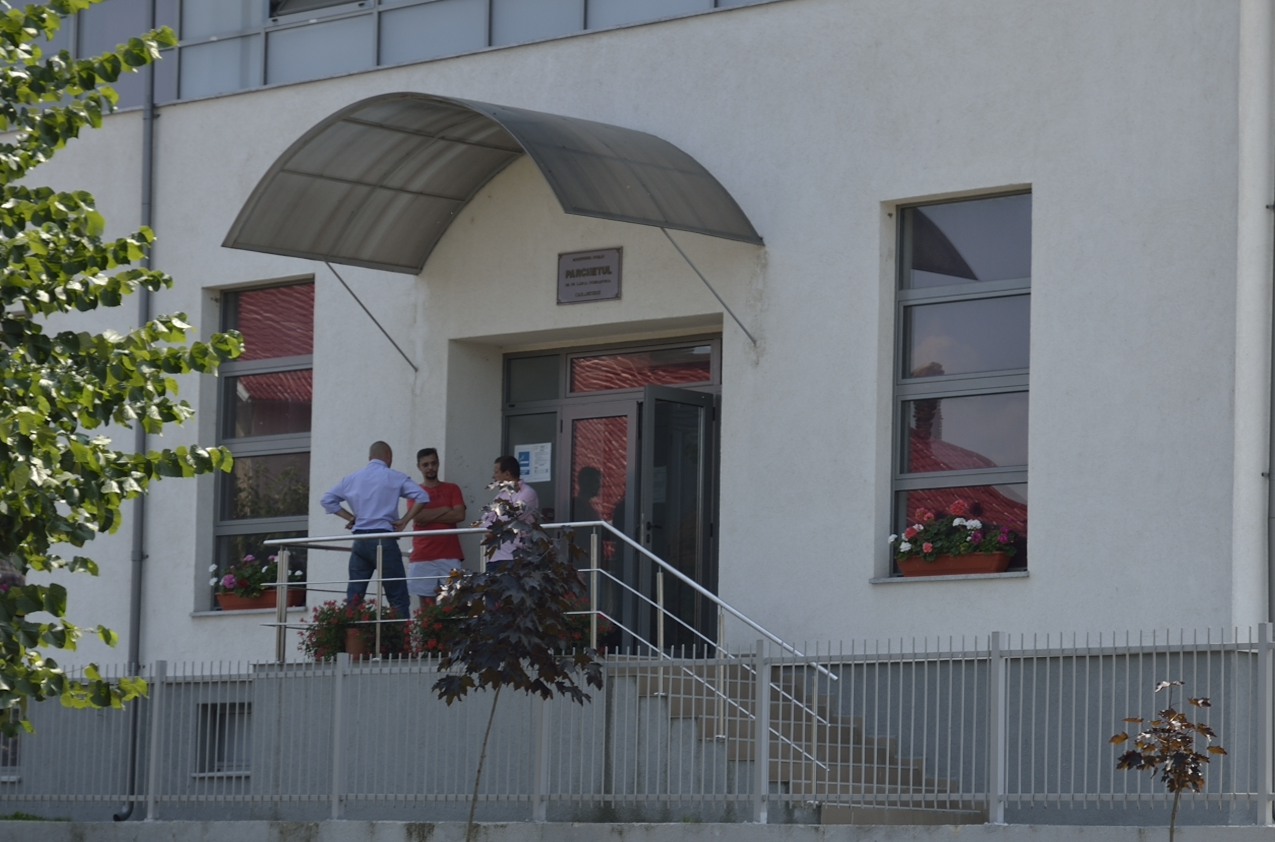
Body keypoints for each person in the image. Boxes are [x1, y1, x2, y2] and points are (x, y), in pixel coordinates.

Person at [320, 441, 429, 623]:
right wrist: (404, 520)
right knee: (397, 595)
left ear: (370, 457)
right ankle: (399, 638)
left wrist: (351, 518)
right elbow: (422, 496)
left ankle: (351, 637)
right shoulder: (394, 476)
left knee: (355, 596)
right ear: (389, 457)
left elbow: (327, 500)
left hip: (360, 540)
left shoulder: (352, 479)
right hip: (383, 539)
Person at [408, 447, 467, 604]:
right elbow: (418, 516)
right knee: (426, 606)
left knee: (452, 604)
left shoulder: (452, 488)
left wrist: (429, 515)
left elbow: (459, 515)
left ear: (438, 463)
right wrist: (445, 509)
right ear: (419, 467)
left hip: (450, 554)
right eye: (425, 464)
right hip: (423, 555)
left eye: (433, 463)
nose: (430, 468)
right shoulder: (414, 491)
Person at [484, 454, 541, 569]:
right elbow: (485, 519)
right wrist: (492, 527)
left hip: (516, 558)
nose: (493, 476)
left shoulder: (527, 493)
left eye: (496, 472)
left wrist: (493, 526)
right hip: (495, 557)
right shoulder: (501, 495)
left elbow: (512, 518)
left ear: (507, 474)